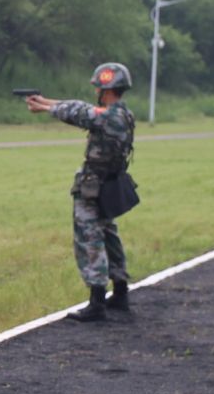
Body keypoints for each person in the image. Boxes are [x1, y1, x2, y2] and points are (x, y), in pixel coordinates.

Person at [25, 63, 136, 319]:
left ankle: (97, 301)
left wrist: (44, 107)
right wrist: (45, 102)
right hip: (107, 186)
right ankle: (120, 293)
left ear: (105, 89)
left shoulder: (109, 116)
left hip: (94, 188)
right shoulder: (123, 114)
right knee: (108, 236)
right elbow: (83, 108)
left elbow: (81, 113)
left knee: (89, 238)